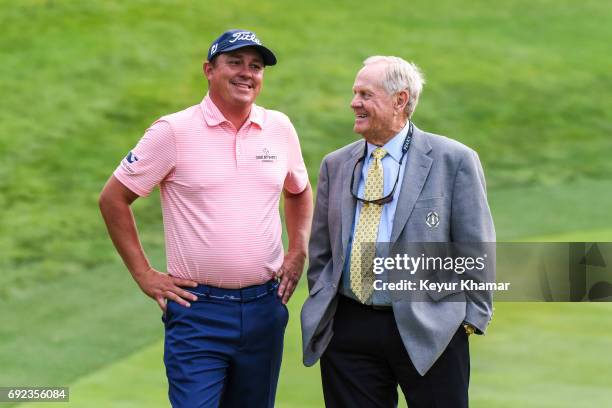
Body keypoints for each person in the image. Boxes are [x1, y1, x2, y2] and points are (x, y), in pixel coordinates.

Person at [99, 29, 313, 408]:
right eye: (235, 63)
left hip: (265, 306)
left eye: (256, 66)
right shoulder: (173, 132)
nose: (247, 73)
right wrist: (144, 274)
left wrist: (298, 249)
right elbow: (113, 199)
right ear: (209, 70)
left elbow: (298, 190)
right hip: (199, 311)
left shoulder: (279, 128)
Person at [301, 56, 495, 407]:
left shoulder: (454, 159)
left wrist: (470, 319)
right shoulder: (335, 164)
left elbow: (474, 245)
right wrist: (323, 301)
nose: (354, 103)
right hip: (349, 327)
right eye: (354, 93)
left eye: (365, 94)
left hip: (430, 326)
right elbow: (321, 251)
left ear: (400, 100)